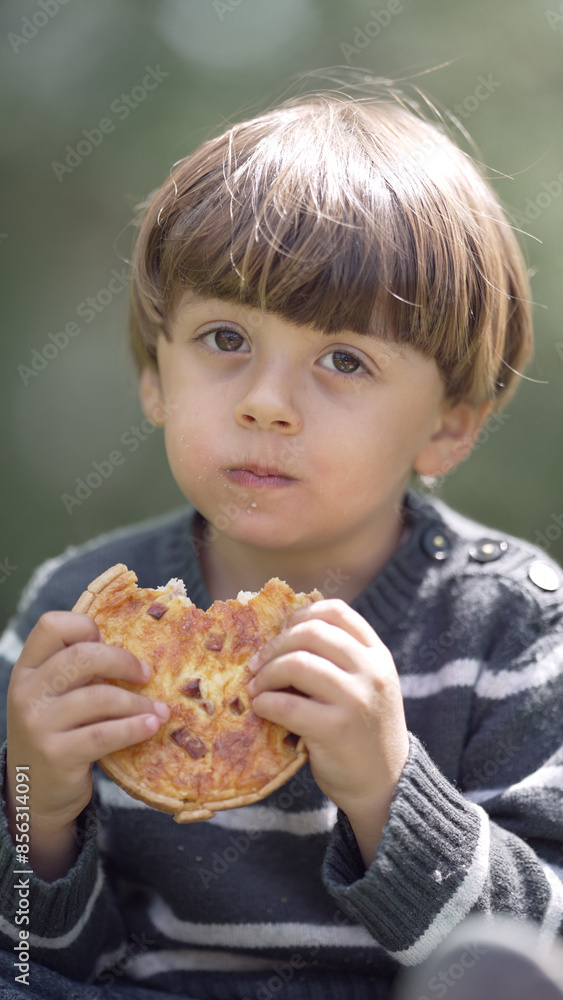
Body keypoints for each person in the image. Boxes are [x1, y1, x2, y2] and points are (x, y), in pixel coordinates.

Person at [1, 77, 562, 1000]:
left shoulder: (507, 625)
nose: (264, 401)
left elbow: (536, 957)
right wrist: (36, 812)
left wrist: (387, 793)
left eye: (344, 360)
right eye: (224, 337)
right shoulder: (78, 620)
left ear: (447, 427)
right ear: (154, 375)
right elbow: (39, 959)